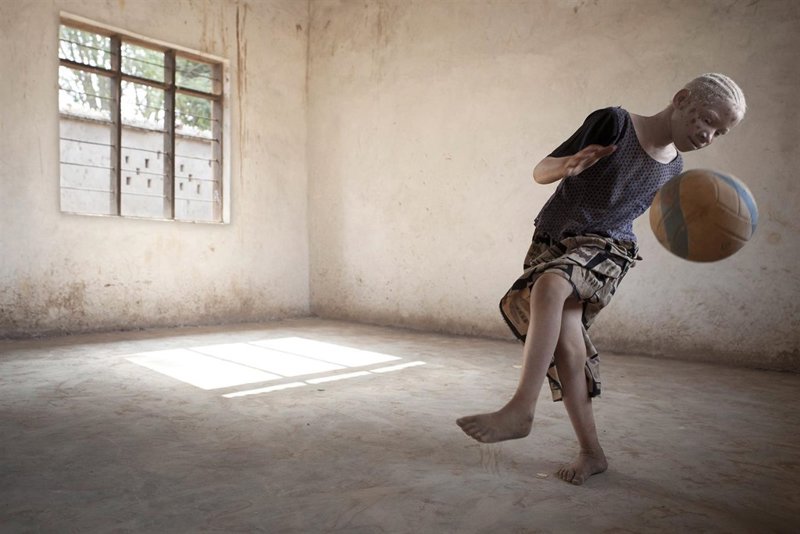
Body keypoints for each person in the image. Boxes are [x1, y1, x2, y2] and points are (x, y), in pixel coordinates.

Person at [456, 73, 746, 485]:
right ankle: (592, 453)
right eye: (709, 121)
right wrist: (568, 165)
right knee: (568, 344)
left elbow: (663, 218)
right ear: (682, 99)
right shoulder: (615, 122)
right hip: (553, 241)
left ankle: (521, 407)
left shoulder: (676, 167)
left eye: (720, 133)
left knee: (551, 285)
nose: (709, 136)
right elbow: (541, 171)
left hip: (610, 247)